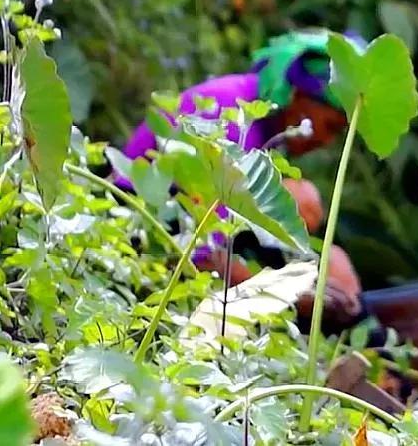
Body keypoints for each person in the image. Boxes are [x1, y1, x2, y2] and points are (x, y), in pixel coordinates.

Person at [114, 29, 368, 334]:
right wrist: (284, 295)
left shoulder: (264, 122)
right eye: (329, 126)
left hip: (191, 224)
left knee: (330, 260)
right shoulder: (235, 122)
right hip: (141, 224)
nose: (326, 140)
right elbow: (200, 255)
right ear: (299, 96)